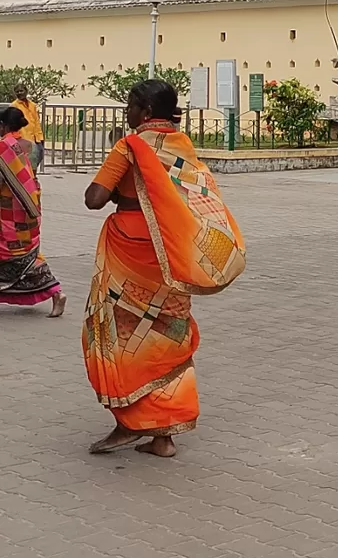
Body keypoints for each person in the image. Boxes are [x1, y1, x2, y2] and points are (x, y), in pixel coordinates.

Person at [82, 78, 245, 459]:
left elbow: (93, 199)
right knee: (169, 333)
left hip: (130, 253)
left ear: (146, 111)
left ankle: (129, 424)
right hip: (173, 253)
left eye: (130, 106)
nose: (127, 113)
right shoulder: (183, 147)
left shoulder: (130, 146)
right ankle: (163, 436)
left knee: (123, 336)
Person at [0, 106, 65, 315]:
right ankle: (56, 292)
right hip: (30, 205)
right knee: (28, 252)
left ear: (3, 126)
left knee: (8, 251)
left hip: (8, 210)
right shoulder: (29, 145)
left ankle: (53, 289)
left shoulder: (4, 147)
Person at [8, 85, 44, 171]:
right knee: (26, 165)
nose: (19, 93)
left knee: (38, 157)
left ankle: (32, 178)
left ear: (26, 91)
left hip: (36, 138)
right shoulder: (14, 106)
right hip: (23, 139)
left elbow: (36, 122)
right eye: (17, 91)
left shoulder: (32, 105)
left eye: (21, 91)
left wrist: (40, 137)